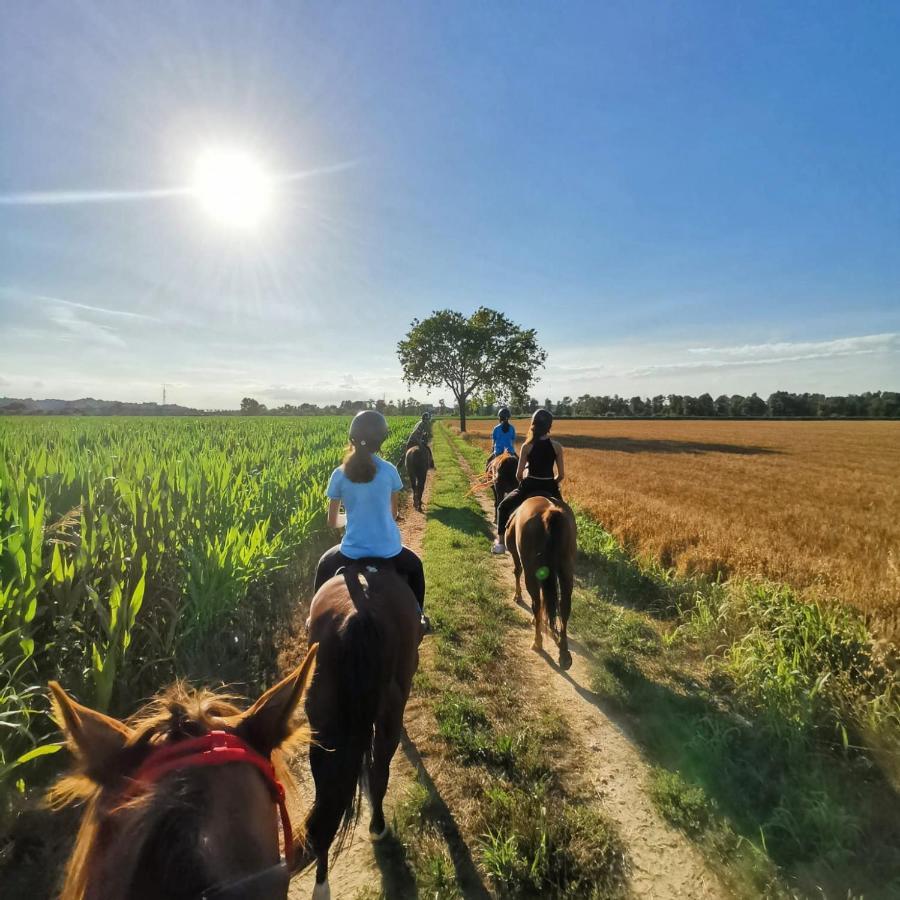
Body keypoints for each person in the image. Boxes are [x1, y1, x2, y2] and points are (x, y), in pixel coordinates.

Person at [315, 410, 429, 632]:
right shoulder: (389, 471)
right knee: (415, 567)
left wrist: (351, 518)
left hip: (351, 552)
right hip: (388, 550)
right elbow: (393, 514)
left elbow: (332, 521)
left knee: (323, 565)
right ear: (381, 441)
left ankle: (314, 622)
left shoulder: (338, 474)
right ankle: (418, 616)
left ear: (352, 437)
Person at [492, 408, 565, 554]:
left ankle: (500, 544)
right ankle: (565, 545)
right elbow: (561, 475)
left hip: (530, 485)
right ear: (549, 426)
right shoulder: (557, 447)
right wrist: (552, 482)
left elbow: (519, 475)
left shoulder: (527, 446)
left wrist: (522, 482)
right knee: (565, 514)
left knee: (503, 507)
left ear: (533, 424)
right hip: (550, 486)